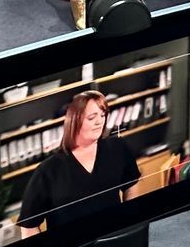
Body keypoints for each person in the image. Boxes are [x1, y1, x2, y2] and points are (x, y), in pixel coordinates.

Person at [16, 89, 140, 235]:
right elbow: (29, 225)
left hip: (113, 241)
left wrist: (129, 224)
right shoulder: (48, 170)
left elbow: (131, 183)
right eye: (92, 117)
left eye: (102, 115)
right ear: (74, 121)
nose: (99, 122)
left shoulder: (117, 148)